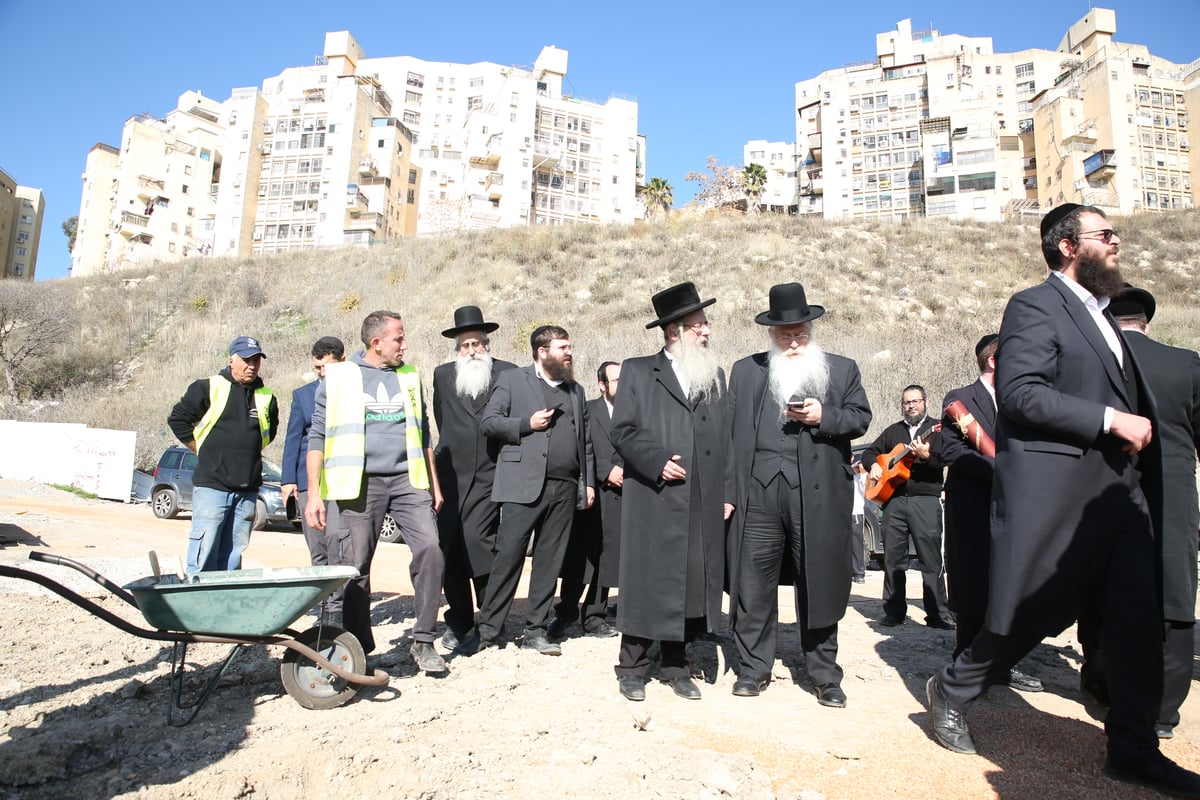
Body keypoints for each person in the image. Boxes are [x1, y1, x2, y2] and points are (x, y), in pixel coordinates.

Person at [925, 204, 1200, 798]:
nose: (1117, 242)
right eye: (1106, 234)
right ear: (1069, 246)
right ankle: (952, 689)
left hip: (1119, 501)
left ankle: (1134, 748)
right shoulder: (1034, 305)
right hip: (1060, 500)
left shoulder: (1103, 316)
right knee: (1031, 616)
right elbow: (1021, 394)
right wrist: (1108, 420)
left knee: (1135, 622)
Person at [725, 282, 871, 707]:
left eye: (800, 334)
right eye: (784, 335)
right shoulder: (745, 371)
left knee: (819, 583)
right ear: (771, 335)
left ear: (812, 329)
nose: (793, 342)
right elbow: (732, 438)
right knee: (753, 586)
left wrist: (824, 415)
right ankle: (753, 669)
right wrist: (730, 491)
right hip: (759, 496)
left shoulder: (842, 370)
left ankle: (825, 675)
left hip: (818, 497)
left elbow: (861, 418)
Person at [304, 311, 446, 674]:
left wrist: (434, 484)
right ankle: (357, 648)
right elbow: (317, 435)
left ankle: (424, 640)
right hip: (358, 483)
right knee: (355, 568)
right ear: (376, 342)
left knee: (431, 549)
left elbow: (423, 433)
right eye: (399, 338)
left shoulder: (410, 377)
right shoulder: (338, 377)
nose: (405, 344)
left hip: (407, 480)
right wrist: (315, 495)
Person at [609, 282, 728, 702]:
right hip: (654, 497)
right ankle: (632, 667)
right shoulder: (640, 370)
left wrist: (726, 491)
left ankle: (676, 665)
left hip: (699, 498)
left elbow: (725, 436)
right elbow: (622, 430)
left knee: (689, 583)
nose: (707, 332)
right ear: (676, 330)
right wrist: (656, 460)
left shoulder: (714, 374)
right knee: (647, 580)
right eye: (700, 326)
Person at [1095, 285, 1199, 739]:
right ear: (1147, 323)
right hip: (1173, 494)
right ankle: (1163, 710)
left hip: (1105, 494)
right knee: (1175, 596)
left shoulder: (1096, 368)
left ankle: (1104, 692)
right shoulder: (1185, 364)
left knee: (1104, 590)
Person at [468, 325, 595, 656]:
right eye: (562, 347)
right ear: (542, 352)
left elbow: (587, 442)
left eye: (570, 346)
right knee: (507, 558)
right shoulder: (513, 380)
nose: (569, 352)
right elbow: (489, 423)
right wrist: (526, 424)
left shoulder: (576, 391)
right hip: (521, 486)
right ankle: (489, 629)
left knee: (550, 562)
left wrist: (588, 481)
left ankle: (536, 630)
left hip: (565, 488)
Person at [939, 333, 1042, 693]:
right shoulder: (960, 400)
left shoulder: (1023, 401)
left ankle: (1002, 664)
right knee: (973, 587)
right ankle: (965, 665)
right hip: (973, 508)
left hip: (1017, 508)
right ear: (994, 361)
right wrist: (1001, 471)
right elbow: (951, 452)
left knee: (1010, 585)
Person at [430, 306, 516, 651]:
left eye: (478, 344)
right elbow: (440, 419)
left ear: (488, 344)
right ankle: (459, 619)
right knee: (449, 548)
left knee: (480, 544)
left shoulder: (508, 374)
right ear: (457, 348)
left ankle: (492, 618)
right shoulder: (441, 375)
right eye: (466, 345)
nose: (472, 351)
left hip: (491, 474)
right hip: (450, 475)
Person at [168, 336, 279, 574]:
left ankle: (224, 603)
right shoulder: (208, 387)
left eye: (256, 360)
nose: (252, 365)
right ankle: (196, 601)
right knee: (205, 549)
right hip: (213, 486)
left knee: (233, 555)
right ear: (231, 360)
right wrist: (201, 448)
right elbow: (177, 419)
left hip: (247, 490)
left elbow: (270, 433)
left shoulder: (267, 396)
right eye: (246, 359)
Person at [861, 385, 952, 628]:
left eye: (915, 401)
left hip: (925, 500)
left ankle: (937, 614)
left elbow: (944, 460)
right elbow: (870, 453)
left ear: (925, 402)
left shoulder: (938, 430)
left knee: (931, 560)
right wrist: (874, 466)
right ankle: (893, 612)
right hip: (895, 501)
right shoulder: (893, 431)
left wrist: (926, 456)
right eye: (906, 402)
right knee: (893, 558)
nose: (911, 406)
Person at [549, 361, 623, 640]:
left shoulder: (634, 412)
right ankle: (565, 613)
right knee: (580, 560)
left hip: (621, 497)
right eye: (616, 380)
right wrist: (606, 471)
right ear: (602, 385)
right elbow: (579, 447)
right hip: (592, 494)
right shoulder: (588, 410)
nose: (622, 385)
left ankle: (595, 616)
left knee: (607, 558)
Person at [280, 336, 346, 568]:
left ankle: (343, 602)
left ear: (343, 361)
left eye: (326, 367)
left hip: (344, 478)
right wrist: (288, 479)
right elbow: (293, 438)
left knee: (341, 548)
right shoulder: (302, 395)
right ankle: (325, 604)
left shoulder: (355, 391)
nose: (321, 373)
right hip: (310, 481)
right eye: (317, 368)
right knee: (318, 549)